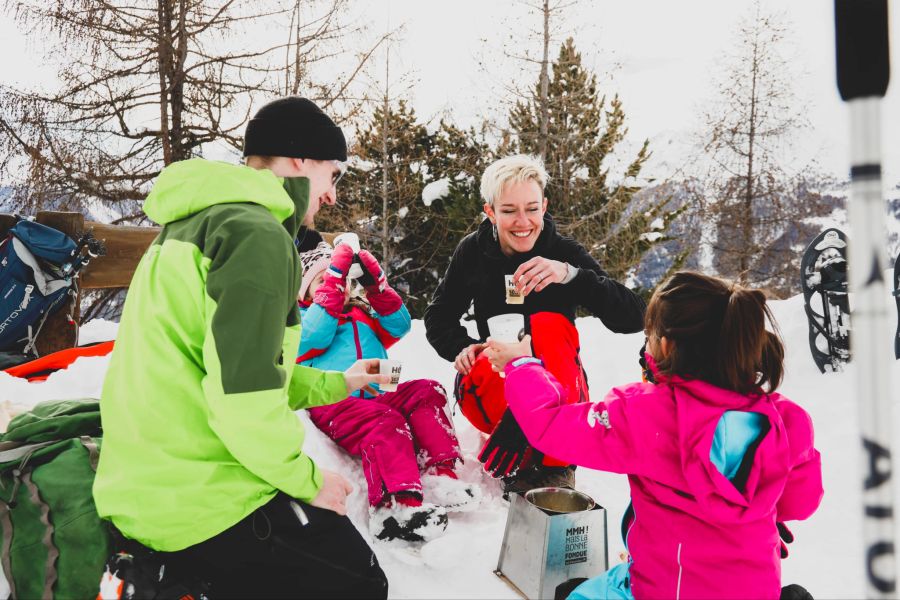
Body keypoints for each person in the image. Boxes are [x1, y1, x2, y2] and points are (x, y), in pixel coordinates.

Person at [93, 97, 390, 599]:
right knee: (359, 583)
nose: (332, 196)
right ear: (300, 160)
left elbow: (233, 370)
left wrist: (342, 381)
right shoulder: (257, 237)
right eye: (333, 175)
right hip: (199, 500)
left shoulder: (191, 226)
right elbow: (244, 397)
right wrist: (308, 480)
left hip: (147, 482)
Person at [485, 271, 823, 600]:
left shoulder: (645, 415)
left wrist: (522, 364)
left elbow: (549, 424)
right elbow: (800, 502)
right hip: (754, 587)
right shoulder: (787, 420)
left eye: (648, 336)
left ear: (665, 344)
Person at [423, 154, 646, 494]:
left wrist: (571, 276)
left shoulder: (563, 252)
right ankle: (521, 443)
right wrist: (463, 347)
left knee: (550, 327)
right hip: (497, 381)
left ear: (544, 206)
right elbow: (438, 317)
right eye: (509, 210)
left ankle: (556, 462)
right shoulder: (473, 251)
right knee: (492, 351)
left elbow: (633, 317)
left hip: (560, 385)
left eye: (531, 208)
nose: (522, 221)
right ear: (491, 212)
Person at [297, 241, 480, 542]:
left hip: (377, 394)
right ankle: (394, 508)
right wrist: (333, 278)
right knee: (384, 419)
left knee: (426, 391)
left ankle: (440, 475)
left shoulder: (360, 314)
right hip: (333, 401)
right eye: (325, 281)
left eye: (343, 281)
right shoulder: (302, 321)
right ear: (304, 292)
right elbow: (315, 333)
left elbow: (399, 325)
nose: (338, 287)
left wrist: (376, 288)